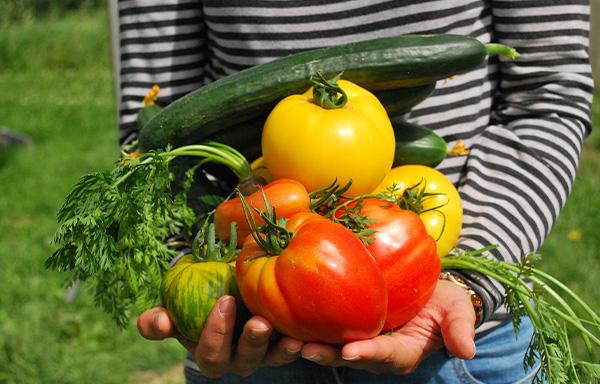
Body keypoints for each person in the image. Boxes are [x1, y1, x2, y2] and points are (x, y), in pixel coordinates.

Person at [114, 1, 593, 382]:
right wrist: (190, 274)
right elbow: (155, 134)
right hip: (247, 319)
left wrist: (469, 282)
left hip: (459, 337)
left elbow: (548, 95)